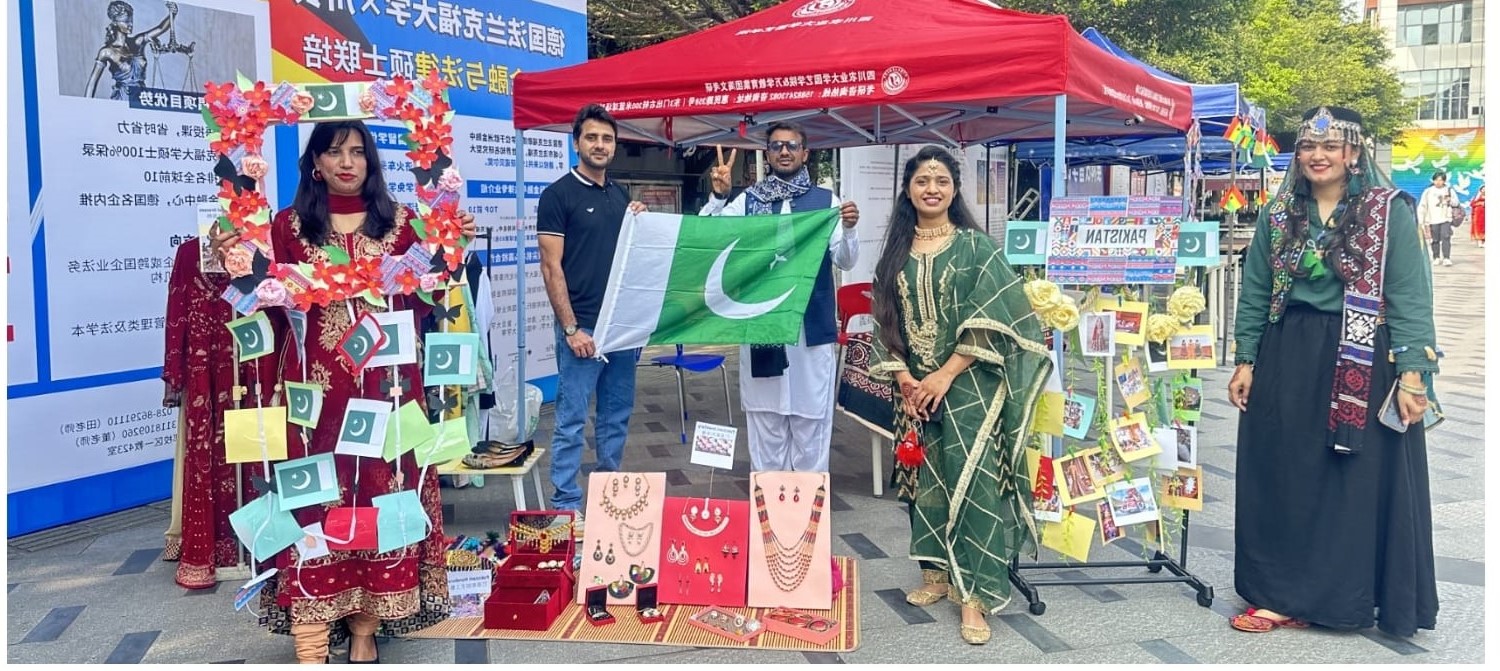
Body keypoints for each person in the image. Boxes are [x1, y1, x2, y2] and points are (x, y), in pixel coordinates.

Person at [210, 120, 474, 663]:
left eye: (358, 152)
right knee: (312, 496)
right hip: (313, 395)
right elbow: (259, 300)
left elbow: (427, 296)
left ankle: (364, 626)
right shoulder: (285, 227)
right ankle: (311, 630)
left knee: (379, 491)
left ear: (372, 162)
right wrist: (232, 255)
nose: (347, 163)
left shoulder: (402, 224)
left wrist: (451, 247)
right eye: (334, 153)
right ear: (315, 163)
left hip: (386, 389)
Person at [1229, 106, 1438, 637]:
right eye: (1307, 146)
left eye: (1329, 146)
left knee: (1350, 479)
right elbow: (1255, 291)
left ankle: (1344, 595)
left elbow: (1410, 293)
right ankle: (1281, 594)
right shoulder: (1278, 215)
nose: (1317, 156)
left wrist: (1413, 375)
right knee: (1286, 474)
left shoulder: (1389, 210)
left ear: (1352, 152)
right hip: (1288, 355)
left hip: (1363, 356)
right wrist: (1246, 359)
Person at [867, 146, 1052, 645]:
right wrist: (905, 378)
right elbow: (884, 317)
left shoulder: (977, 248)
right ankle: (937, 574)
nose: (932, 188)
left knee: (973, 484)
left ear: (954, 189)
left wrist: (945, 374)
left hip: (969, 385)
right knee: (926, 480)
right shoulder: (896, 252)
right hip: (913, 390)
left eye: (941, 181)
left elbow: (996, 317)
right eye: (922, 180)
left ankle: (976, 596)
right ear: (908, 190)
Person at [699, 122, 860, 473]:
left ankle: (808, 507)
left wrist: (849, 230)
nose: (784, 151)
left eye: (791, 145)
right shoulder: (749, 200)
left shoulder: (825, 202)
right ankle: (767, 506)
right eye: (776, 146)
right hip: (762, 326)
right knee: (766, 428)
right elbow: (708, 239)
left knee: (811, 429)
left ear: (805, 153)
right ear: (767, 154)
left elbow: (845, 261)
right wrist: (719, 198)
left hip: (809, 331)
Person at [537, 104, 647, 517]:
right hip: (581, 326)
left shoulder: (620, 196)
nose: (600, 145)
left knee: (616, 416)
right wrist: (570, 329)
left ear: (615, 146)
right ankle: (566, 505)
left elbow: (633, 259)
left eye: (607, 139)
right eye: (592, 137)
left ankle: (607, 495)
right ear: (576, 143)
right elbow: (551, 268)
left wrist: (640, 220)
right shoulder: (557, 195)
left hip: (620, 327)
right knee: (571, 420)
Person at [161, 236, 278, 589]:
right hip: (208, 371)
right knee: (211, 452)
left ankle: (266, 543)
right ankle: (211, 550)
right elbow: (177, 313)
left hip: (258, 366)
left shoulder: (270, 249)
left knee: (260, 447)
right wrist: (175, 373)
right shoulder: (190, 253)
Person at [85, 1, 176, 100]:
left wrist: (173, 14)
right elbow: (92, 84)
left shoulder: (138, 42)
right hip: (123, 98)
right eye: (126, 22)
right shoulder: (107, 52)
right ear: (115, 22)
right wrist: (86, 105)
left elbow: (161, 28)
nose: (130, 24)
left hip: (142, 98)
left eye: (131, 20)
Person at [1417, 170, 1460, 266]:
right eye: (1436, 180)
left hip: (1446, 218)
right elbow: (1423, 205)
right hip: (1432, 219)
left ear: (1444, 181)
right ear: (1433, 180)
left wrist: (1450, 200)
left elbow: (1456, 203)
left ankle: (1446, 258)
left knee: (1446, 237)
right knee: (1435, 239)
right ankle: (1436, 257)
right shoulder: (1428, 191)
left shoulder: (1449, 190)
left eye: (1440, 180)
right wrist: (1421, 219)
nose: (1438, 182)